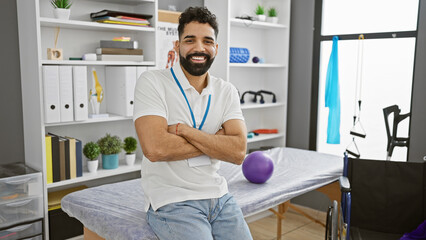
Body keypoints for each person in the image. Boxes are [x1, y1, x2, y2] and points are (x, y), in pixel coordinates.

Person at [133, 6, 253, 240]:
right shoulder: (152, 82)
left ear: (216, 48)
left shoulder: (226, 91)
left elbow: (238, 152)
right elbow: (155, 149)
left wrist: (186, 132)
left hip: (219, 197)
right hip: (172, 201)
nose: (199, 48)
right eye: (190, 40)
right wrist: (217, 142)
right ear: (177, 46)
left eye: (207, 41)